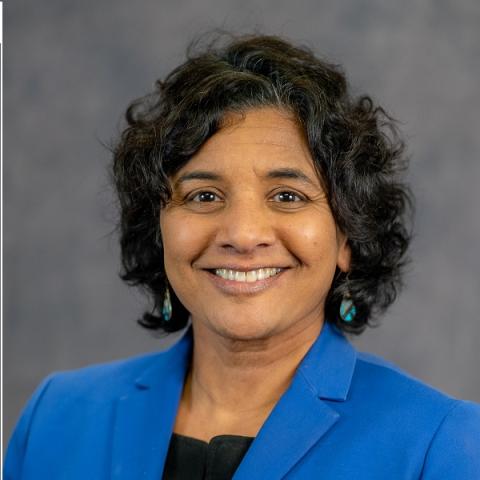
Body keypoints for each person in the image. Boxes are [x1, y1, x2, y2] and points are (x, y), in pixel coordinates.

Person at [5, 33, 480, 479]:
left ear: (347, 238)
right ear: (159, 229)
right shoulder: (57, 418)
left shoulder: (439, 444)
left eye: (288, 196)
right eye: (204, 196)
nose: (243, 234)